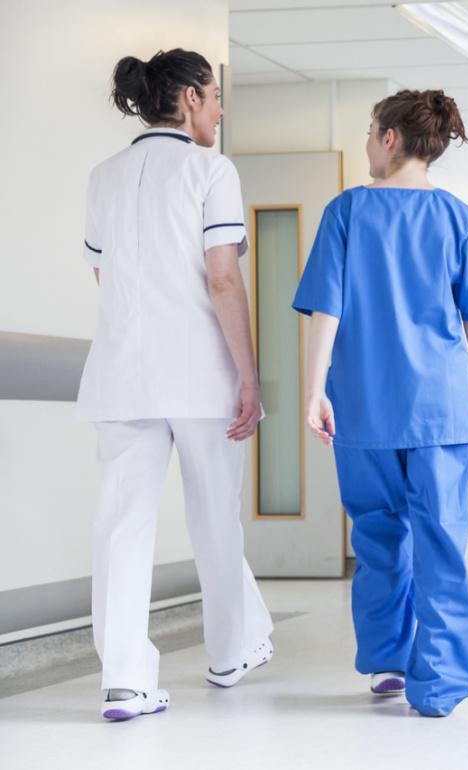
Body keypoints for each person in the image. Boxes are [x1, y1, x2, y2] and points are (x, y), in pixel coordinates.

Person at [293, 90, 468, 718]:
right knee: (441, 540)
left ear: (391, 138)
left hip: (363, 404)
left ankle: (389, 662)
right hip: (440, 407)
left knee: (378, 534)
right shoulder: (458, 218)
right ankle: (439, 685)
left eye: (369, 132)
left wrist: (315, 391)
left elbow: (326, 310)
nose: (366, 143)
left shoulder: (346, 212)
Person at [78, 49, 273, 721]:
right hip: (197, 374)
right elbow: (223, 277)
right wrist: (249, 374)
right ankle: (229, 651)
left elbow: (105, 279)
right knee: (214, 514)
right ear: (189, 98)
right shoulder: (210, 170)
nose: (220, 109)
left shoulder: (104, 176)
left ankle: (125, 681)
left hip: (121, 374)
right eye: (216, 96)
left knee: (121, 526)